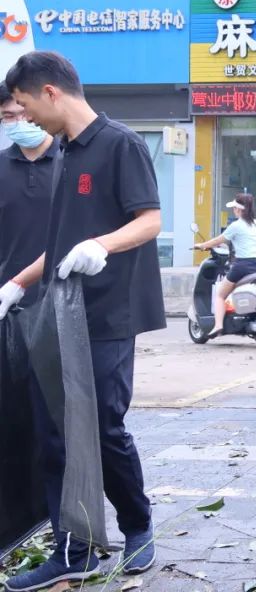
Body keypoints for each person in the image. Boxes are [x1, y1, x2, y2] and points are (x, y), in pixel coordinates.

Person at [0, 51, 165, 591]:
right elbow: (59, 243)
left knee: (103, 428)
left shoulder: (121, 144)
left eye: (24, 105)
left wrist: (103, 245)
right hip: (58, 314)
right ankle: (75, 548)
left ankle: (137, 525)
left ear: (50, 92)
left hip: (109, 314)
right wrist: (17, 283)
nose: (24, 118)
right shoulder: (66, 154)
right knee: (54, 432)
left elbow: (149, 220)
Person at [0, 83, 58, 308]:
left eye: (24, 113)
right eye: (9, 116)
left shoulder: (72, 161)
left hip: (63, 297)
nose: (19, 122)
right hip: (7, 298)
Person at [194, 192, 256, 338]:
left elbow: (218, 240)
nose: (233, 210)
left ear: (239, 209)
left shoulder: (236, 225)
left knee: (220, 294)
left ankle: (218, 325)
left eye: (234, 208)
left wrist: (202, 245)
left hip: (242, 266)